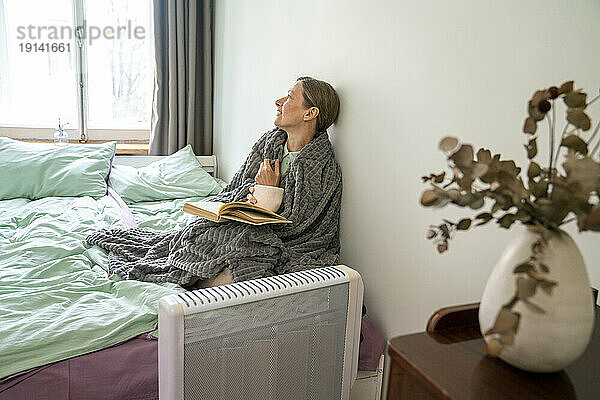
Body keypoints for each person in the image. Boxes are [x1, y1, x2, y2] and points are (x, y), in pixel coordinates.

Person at [87, 76, 342, 288]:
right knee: (204, 230)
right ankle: (203, 277)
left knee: (249, 246)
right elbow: (235, 188)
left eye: (289, 97)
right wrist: (257, 194)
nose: (279, 102)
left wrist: (267, 192)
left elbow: (299, 225)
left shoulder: (320, 166)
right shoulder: (269, 143)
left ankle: (205, 280)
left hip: (280, 238)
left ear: (310, 113)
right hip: (245, 221)